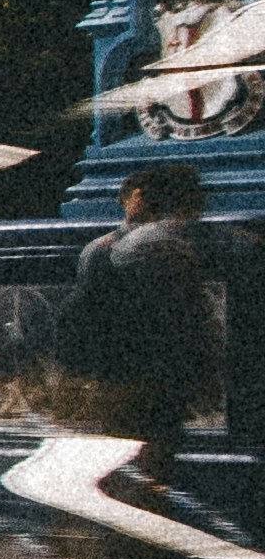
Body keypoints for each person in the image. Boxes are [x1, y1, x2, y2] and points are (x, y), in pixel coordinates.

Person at [60, 165, 255, 513]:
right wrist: (207, 371)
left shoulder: (95, 248)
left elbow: (78, 313)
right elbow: (188, 316)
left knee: (120, 459)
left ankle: (122, 543)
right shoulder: (168, 247)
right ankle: (144, 553)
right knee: (154, 461)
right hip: (155, 375)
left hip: (110, 375)